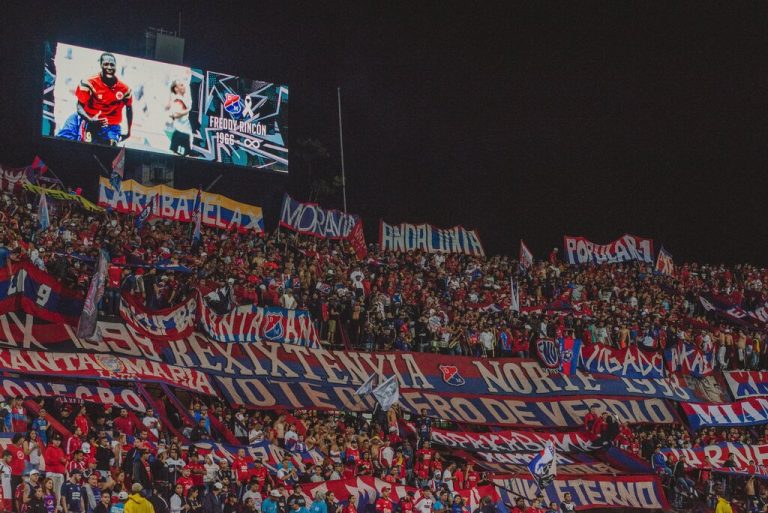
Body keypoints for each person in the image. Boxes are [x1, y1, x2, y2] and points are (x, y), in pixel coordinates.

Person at [57, 52, 133, 146]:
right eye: (106, 64)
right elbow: (79, 105)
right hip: (85, 118)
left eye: (112, 65)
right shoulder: (89, 82)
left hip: (110, 125)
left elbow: (129, 108)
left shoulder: (124, 89)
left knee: (107, 149)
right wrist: (90, 120)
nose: (109, 67)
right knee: (62, 142)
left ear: (116, 66)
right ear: (101, 65)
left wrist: (129, 131)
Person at [166, 80, 192, 156]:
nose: (184, 86)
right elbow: (175, 114)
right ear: (176, 89)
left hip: (185, 135)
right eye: (181, 85)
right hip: (181, 134)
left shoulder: (185, 100)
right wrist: (189, 110)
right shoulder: (177, 100)